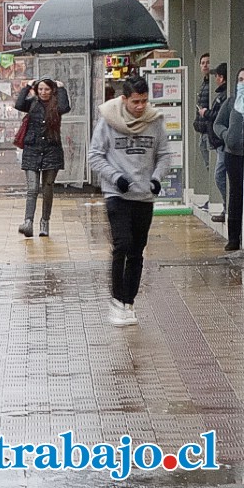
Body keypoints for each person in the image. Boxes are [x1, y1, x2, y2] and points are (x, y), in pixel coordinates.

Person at [88, 76, 171, 326]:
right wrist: (116, 177)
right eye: (135, 101)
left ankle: (129, 302)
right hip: (118, 194)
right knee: (122, 244)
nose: (140, 106)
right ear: (124, 99)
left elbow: (164, 155)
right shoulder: (108, 121)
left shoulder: (154, 122)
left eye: (144, 101)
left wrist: (157, 178)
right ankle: (116, 300)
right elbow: (94, 155)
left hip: (144, 195)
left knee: (137, 250)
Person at [14, 76, 71, 237]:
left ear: (52, 90)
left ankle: (45, 221)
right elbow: (19, 104)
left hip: (51, 150)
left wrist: (61, 89)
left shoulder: (56, 105)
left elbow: (65, 107)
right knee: (32, 188)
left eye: (47, 89)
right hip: (32, 149)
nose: (43, 92)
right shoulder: (32, 103)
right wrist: (27, 87)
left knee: (47, 188)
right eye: (40, 89)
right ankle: (28, 222)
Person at [214, 67, 244, 252]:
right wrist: (226, 136)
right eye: (240, 79)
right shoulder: (231, 102)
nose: (243, 82)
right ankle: (233, 237)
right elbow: (218, 123)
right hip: (232, 155)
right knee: (235, 193)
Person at [200, 62, 228, 222]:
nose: (215, 79)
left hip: (223, 142)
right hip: (217, 142)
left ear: (221, 77)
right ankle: (227, 206)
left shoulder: (223, 97)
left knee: (219, 174)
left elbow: (218, 117)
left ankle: (227, 206)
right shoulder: (220, 95)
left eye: (217, 76)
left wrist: (205, 113)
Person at [193, 53, 211, 177]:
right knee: (208, 165)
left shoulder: (211, 85)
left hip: (209, 132)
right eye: (202, 63)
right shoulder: (204, 84)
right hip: (202, 132)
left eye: (207, 62)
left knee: (212, 166)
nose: (205, 65)